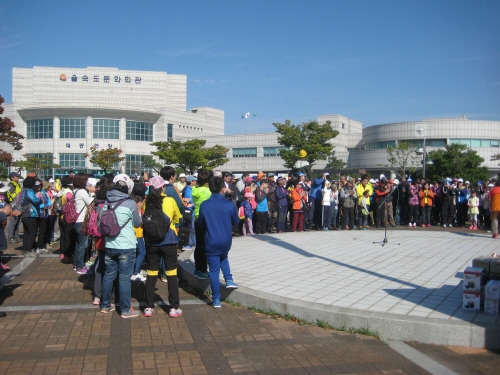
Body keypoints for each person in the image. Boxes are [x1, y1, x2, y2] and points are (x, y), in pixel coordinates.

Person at [101, 174, 142, 318]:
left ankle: (105, 305)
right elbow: (137, 223)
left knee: (108, 275)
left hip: (110, 243)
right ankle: (125, 309)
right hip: (126, 245)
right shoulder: (130, 203)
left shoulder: (107, 201)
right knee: (124, 278)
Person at [197, 176, 240, 308]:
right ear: (222, 188)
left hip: (211, 240)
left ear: (209, 188)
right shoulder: (228, 204)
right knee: (224, 256)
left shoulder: (205, 205)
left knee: (214, 271)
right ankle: (229, 279)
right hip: (226, 240)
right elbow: (236, 221)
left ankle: (216, 299)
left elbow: (200, 224)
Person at [143, 176, 182, 318]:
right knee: (171, 274)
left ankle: (148, 307)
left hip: (152, 242)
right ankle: (173, 307)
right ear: (163, 187)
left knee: (151, 273)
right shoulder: (170, 200)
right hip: (169, 241)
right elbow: (178, 217)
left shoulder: (148, 201)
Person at [192, 169, 213, 279]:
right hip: (206, 219)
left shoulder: (195, 189)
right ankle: (203, 270)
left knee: (199, 245)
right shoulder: (207, 192)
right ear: (207, 182)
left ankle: (198, 269)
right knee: (205, 246)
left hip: (197, 217)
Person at [73, 173, 94, 274]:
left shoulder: (75, 190)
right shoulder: (82, 191)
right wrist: (92, 192)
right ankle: (80, 267)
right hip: (82, 220)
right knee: (83, 244)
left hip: (77, 221)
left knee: (78, 244)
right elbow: (91, 203)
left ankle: (77, 264)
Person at [6, 172, 22, 243]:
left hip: (19, 205)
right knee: (13, 222)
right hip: (13, 205)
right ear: (12, 177)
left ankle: (16, 236)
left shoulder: (17, 184)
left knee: (18, 222)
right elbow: (13, 196)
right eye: (17, 177)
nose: (18, 178)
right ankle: (10, 237)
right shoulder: (11, 185)